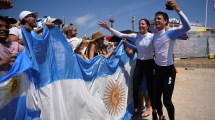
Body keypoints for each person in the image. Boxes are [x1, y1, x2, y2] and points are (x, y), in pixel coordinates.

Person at [99, 18, 155, 120]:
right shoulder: (135, 36)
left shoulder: (152, 36)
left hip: (149, 64)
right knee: (136, 88)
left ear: (148, 26)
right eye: (139, 24)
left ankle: (153, 110)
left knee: (150, 89)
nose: (140, 25)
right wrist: (108, 27)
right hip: (139, 64)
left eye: (143, 24)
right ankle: (137, 111)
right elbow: (120, 35)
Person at [153, 0, 191, 120]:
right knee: (155, 98)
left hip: (168, 71)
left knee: (167, 101)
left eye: (159, 18)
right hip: (158, 70)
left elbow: (187, 27)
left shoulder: (170, 33)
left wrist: (177, 8)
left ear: (165, 22)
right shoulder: (154, 35)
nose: (156, 20)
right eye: (155, 18)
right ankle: (160, 117)